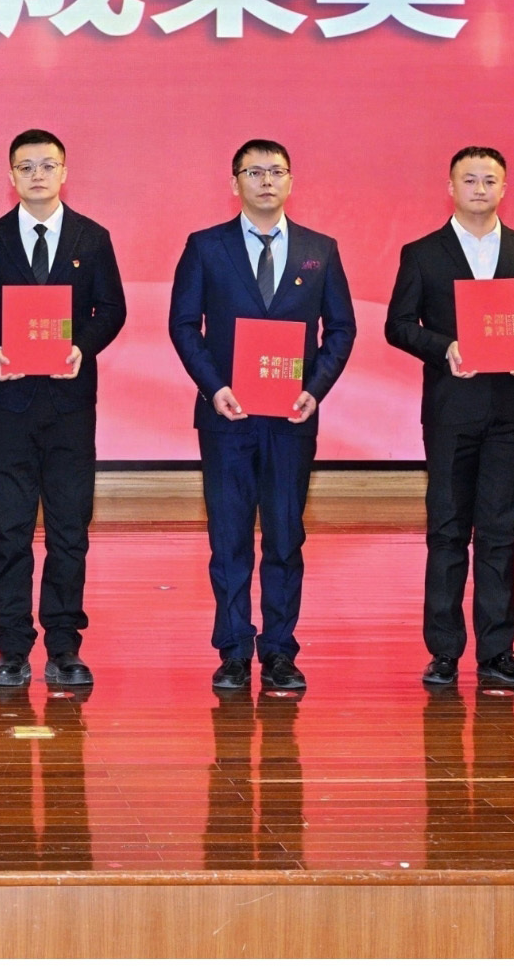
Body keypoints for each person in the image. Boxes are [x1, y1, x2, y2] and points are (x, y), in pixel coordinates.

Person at [168, 138, 355, 696]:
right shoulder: (206, 246)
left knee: (284, 537)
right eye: (254, 172)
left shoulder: (320, 249)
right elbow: (184, 325)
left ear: (291, 181)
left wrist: (315, 390)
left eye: (276, 171)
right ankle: (233, 650)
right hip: (227, 417)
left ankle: (279, 650)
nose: (266, 181)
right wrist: (215, 387)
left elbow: (341, 329)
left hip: (292, 419)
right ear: (235, 184)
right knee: (228, 538)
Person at [0, 129, 127, 690]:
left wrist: (82, 347)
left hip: (70, 405)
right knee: (10, 530)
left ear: (64, 172)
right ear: (11, 177)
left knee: (70, 529)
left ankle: (65, 645)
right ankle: (11, 647)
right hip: (9, 406)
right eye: (25, 167)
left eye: (47, 165)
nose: (37, 175)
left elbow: (111, 309)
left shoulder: (92, 238)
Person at [388, 145, 514, 693]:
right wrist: (446, 348)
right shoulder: (423, 253)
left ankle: (498, 650)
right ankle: (444, 651)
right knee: (446, 529)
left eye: (490, 180)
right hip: (451, 410)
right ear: (450, 187)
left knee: (499, 531)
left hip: (510, 410)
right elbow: (398, 325)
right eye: (470, 179)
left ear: (504, 188)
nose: (480, 189)